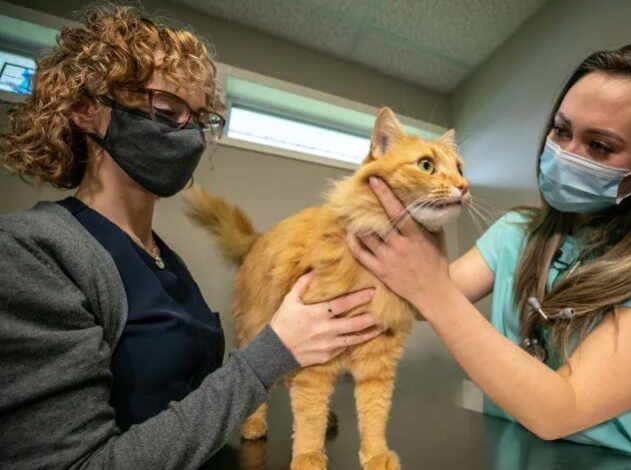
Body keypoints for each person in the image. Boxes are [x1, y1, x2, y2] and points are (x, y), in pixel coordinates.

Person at [0, 6, 382, 469]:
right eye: (166, 111)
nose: (190, 138)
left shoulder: (165, 261)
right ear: (85, 109)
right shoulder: (30, 251)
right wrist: (274, 350)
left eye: (200, 120)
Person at [347, 40, 631, 470]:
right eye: (560, 130)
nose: (563, 154)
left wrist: (431, 288)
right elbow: (419, 296)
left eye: (600, 146)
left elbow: (560, 411)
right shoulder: (515, 234)